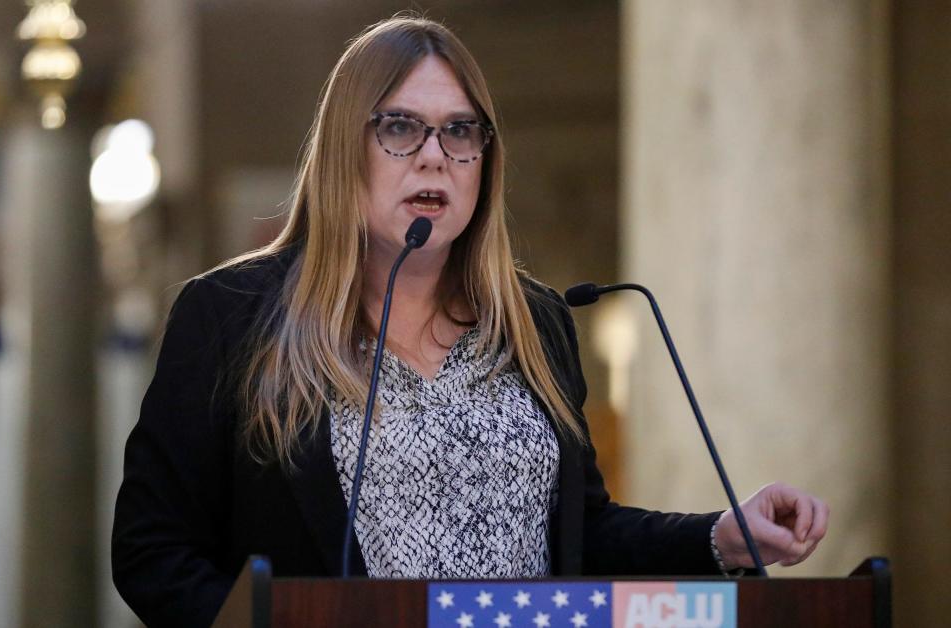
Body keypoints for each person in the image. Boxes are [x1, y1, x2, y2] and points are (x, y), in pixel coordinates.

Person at [111, 14, 829, 628]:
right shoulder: (233, 318)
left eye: (461, 132)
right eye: (400, 127)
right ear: (343, 150)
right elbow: (151, 552)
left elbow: (584, 534)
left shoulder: (534, 323)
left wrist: (721, 537)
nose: (434, 156)